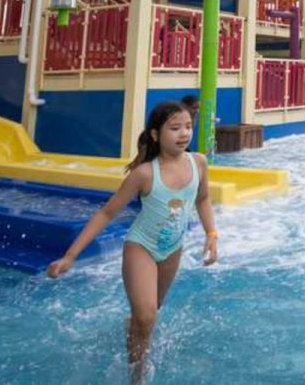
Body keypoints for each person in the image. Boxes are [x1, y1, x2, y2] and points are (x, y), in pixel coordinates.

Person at [47, 101, 218, 381]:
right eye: (175, 128)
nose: (184, 133)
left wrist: (212, 233)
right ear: (155, 134)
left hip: (172, 249)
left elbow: (203, 198)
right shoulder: (145, 174)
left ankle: (135, 325)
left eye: (188, 126)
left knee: (149, 314)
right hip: (142, 248)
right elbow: (106, 213)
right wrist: (70, 256)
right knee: (147, 316)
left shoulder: (198, 162)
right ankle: (136, 376)